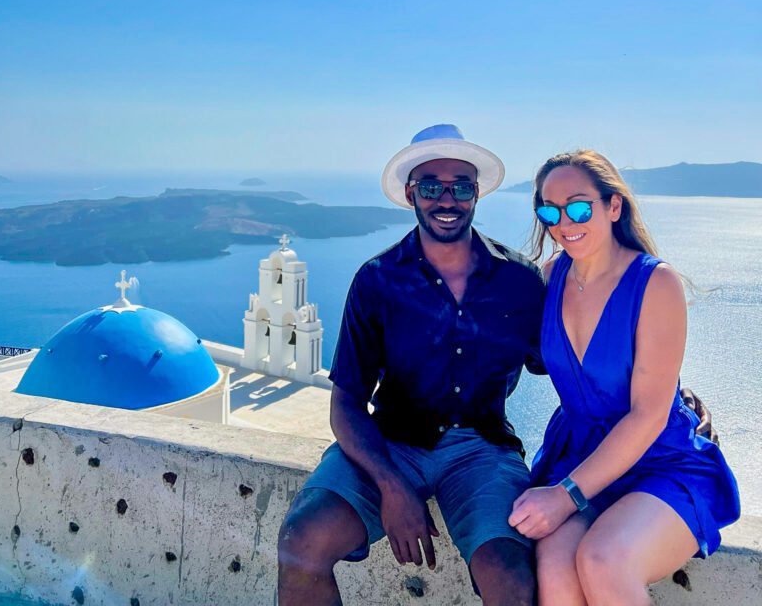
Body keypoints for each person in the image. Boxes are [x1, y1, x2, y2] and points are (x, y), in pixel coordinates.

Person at [277, 124, 545, 606]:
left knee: (511, 575)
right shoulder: (378, 281)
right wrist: (391, 485)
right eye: (431, 186)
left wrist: (669, 396)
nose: (447, 199)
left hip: (482, 449)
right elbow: (347, 402)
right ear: (410, 193)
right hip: (391, 443)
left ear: (476, 192)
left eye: (461, 185)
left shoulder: (519, 282)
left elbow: (574, 362)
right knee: (302, 540)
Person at [509, 149, 741, 606]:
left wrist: (566, 495)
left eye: (578, 206)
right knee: (555, 572)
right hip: (578, 456)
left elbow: (649, 414)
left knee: (603, 561)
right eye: (548, 210)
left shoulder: (656, 284)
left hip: (659, 462)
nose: (563, 221)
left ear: (614, 207)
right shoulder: (552, 275)